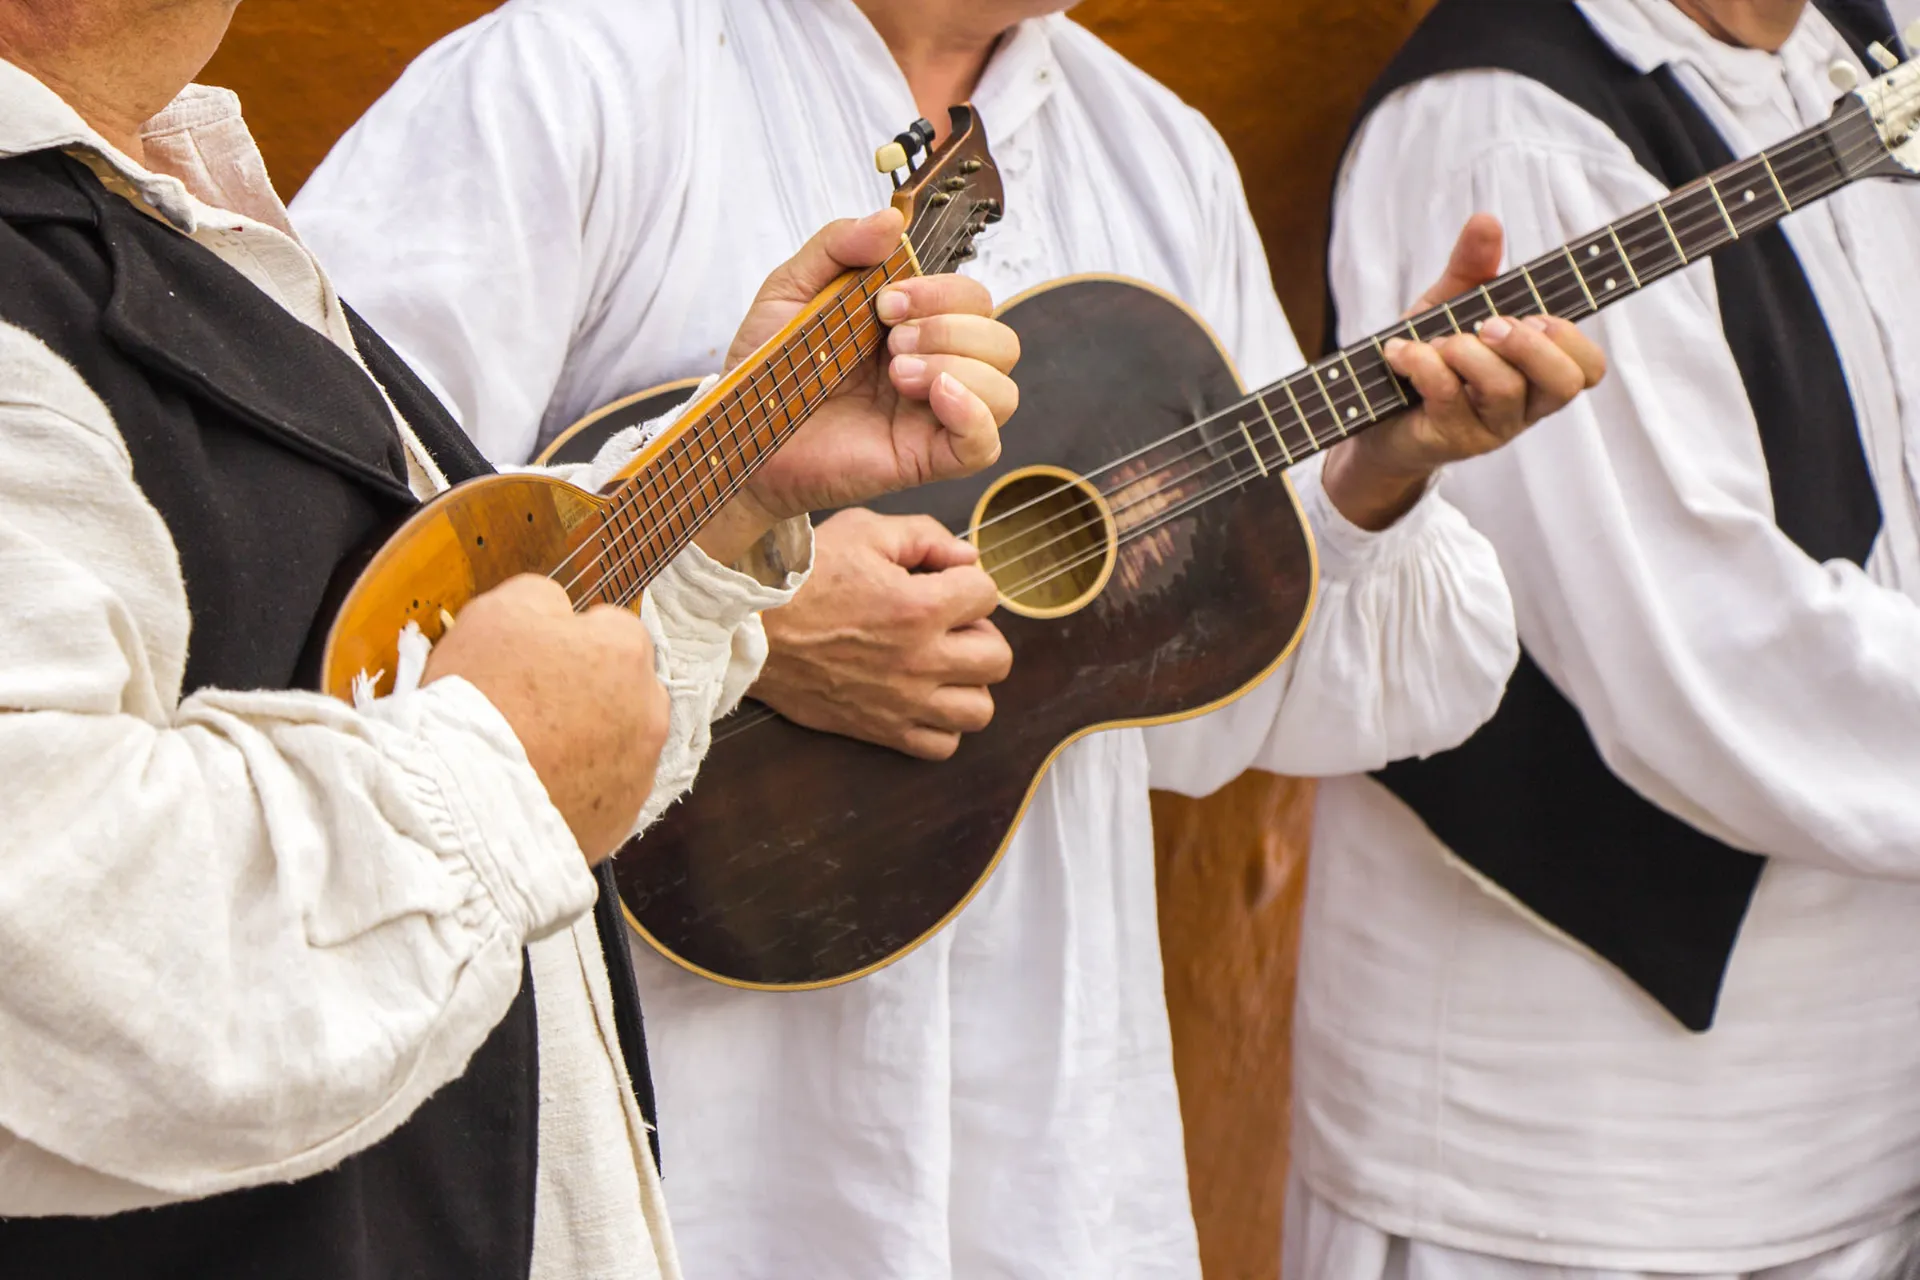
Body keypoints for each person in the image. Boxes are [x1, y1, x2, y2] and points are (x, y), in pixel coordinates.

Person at [292, 1, 1606, 1274]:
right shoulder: (565, 81)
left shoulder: (1159, 157)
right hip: (692, 1137)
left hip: (1040, 1147)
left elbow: (1243, 691)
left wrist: (1373, 473)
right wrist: (745, 603)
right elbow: (323, 554)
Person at [0, 0, 1021, 1276]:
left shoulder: (153, 201)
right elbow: (46, 939)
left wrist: (727, 489)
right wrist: (496, 774)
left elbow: (388, 658)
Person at [1297, 0, 1920, 1275]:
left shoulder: (1861, 38)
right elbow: (1707, 666)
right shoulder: (1513, 127)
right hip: (1590, 1163)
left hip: (1868, 1112)